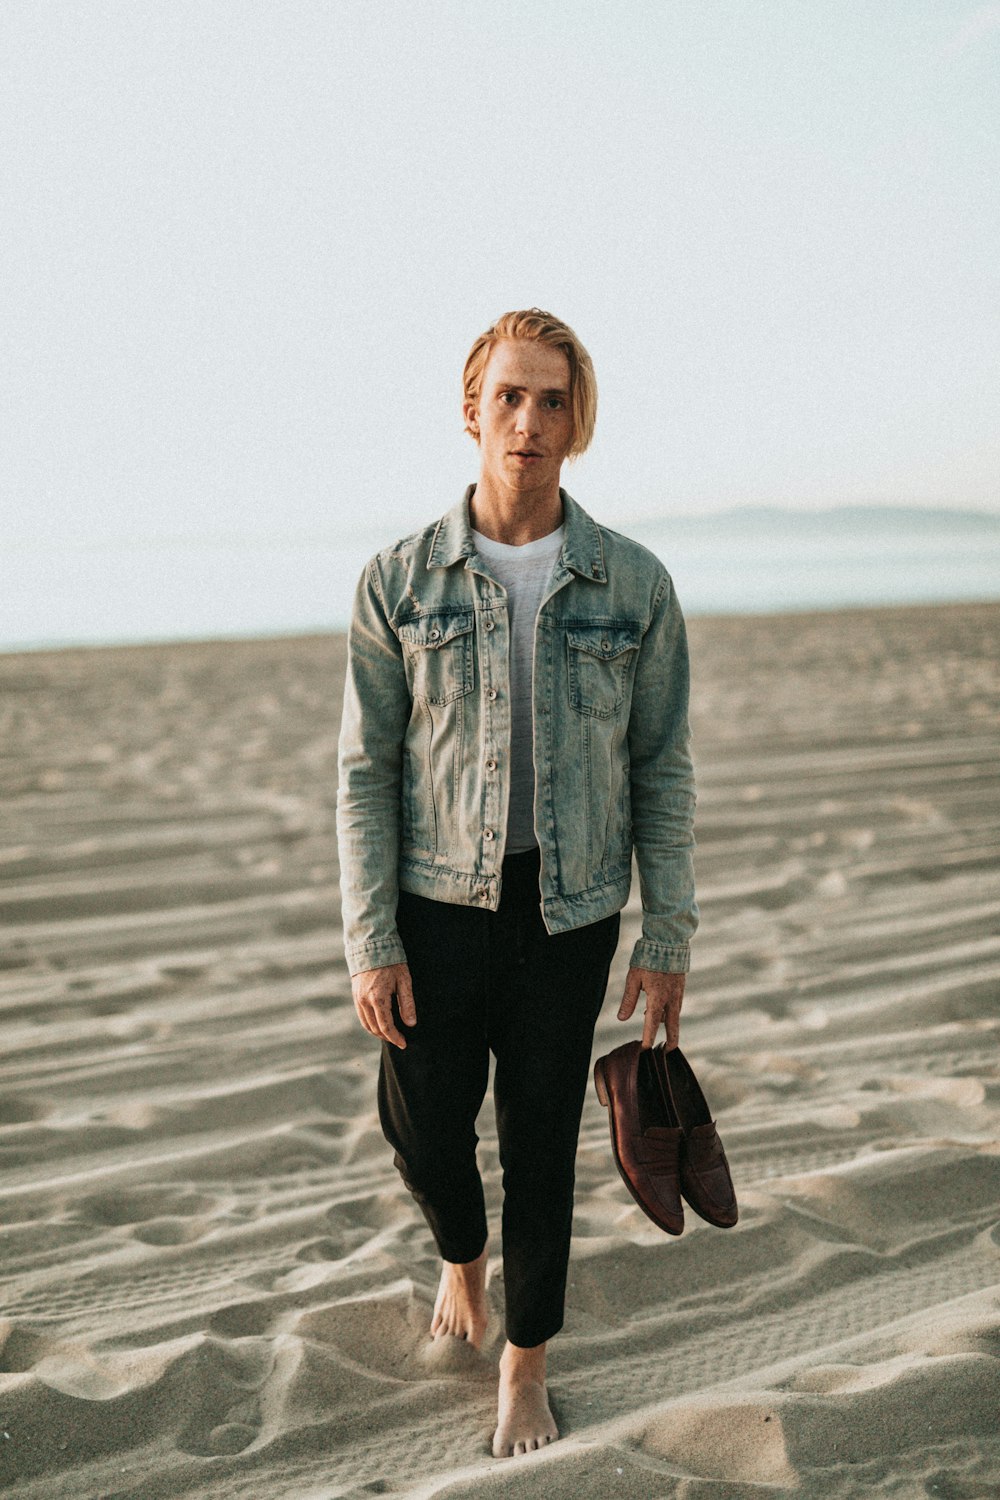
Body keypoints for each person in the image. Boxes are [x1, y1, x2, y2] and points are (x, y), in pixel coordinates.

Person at [336, 308, 697, 1457]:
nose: (528, 421)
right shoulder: (398, 583)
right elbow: (362, 773)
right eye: (509, 397)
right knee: (422, 1128)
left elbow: (661, 766)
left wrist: (665, 932)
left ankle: (525, 1364)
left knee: (542, 1139)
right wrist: (368, 936)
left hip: (569, 912)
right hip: (433, 910)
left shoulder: (632, 585)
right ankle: (460, 1249)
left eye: (550, 401)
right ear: (470, 409)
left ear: (574, 421)